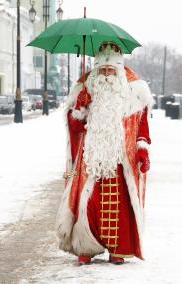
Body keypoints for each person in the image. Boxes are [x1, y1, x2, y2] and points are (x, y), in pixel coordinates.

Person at [56, 42, 153, 265]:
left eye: (111, 70)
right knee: (88, 203)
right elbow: (74, 128)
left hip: (120, 160)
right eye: (103, 70)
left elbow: (142, 126)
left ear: (118, 70)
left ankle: (118, 248)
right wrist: (80, 108)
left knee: (119, 206)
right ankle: (86, 247)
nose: (107, 75)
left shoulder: (134, 91)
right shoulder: (85, 88)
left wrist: (142, 151)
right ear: (97, 70)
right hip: (91, 157)